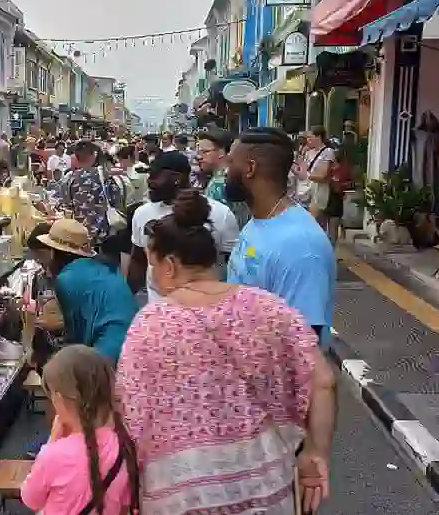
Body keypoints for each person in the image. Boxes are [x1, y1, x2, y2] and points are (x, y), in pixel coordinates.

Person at [117, 190, 337, 515]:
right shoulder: (269, 308)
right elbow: (323, 381)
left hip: (180, 498)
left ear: (171, 264)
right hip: (265, 492)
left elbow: (130, 414)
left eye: (154, 265)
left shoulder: (150, 324)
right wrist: (315, 452)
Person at [225, 128, 336, 338]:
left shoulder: (301, 246)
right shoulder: (258, 220)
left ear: (250, 168)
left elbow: (303, 344)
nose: (225, 171)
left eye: (231, 163)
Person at [21, 345, 138, 515]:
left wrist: (52, 440)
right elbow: (125, 502)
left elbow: (30, 499)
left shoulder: (53, 456)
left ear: (59, 399)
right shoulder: (124, 445)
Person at [128, 151, 239, 301]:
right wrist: (128, 298)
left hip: (208, 310)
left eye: (155, 176)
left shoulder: (221, 214)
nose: (149, 182)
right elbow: (138, 261)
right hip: (160, 312)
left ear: (176, 179)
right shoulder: (142, 213)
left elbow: (233, 267)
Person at [32, 219, 138, 364]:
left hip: (109, 352)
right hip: (133, 341)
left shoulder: (67, 279)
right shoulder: (104, 266)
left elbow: (75, 337)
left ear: (53, 252)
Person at [61, 141, 123, 245]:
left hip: (79, 233)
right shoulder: (104, 176)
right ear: (93, 155)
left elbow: (67, 204)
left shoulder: (69, 178)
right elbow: (116, 199)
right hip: (102, 234)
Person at [296, 127, 335, 224]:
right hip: (305, 192)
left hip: (318, 192)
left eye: (310, 138)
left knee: (313, 222)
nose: (308, 141)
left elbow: (322, 175)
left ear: (318, 137)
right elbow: (302, 172)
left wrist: (307, 174)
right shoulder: (308, 153)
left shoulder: (328, 152)